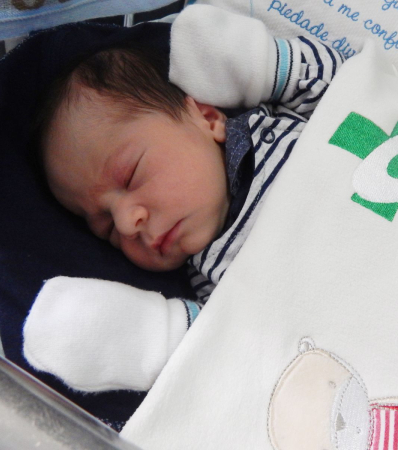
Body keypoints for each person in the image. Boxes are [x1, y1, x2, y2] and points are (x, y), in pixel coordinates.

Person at [23, 4, 347, 393]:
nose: (126, 223)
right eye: (106, 228)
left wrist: (261, 67)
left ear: (207, 119)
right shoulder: (213, 278)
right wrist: (166, 333)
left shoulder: (274, 129)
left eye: (131, 174)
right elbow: (248, 350)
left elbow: (352, 99)